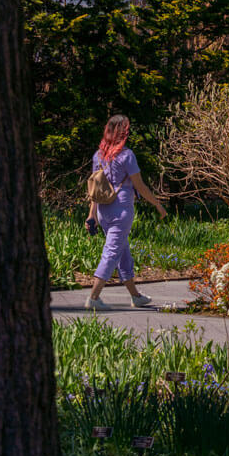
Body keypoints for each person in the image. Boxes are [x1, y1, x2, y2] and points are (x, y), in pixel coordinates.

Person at [85, 113, 166, 311]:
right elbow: (140, 186)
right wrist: (157, 204)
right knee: (112, 252)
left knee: (122, 252)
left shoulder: (98, 156)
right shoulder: (127, 155)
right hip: (121, 211)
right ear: (124, 132)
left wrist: (92, 214)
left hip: (104, 211)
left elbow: (95, 189)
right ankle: (93, 297)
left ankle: (136, 296)